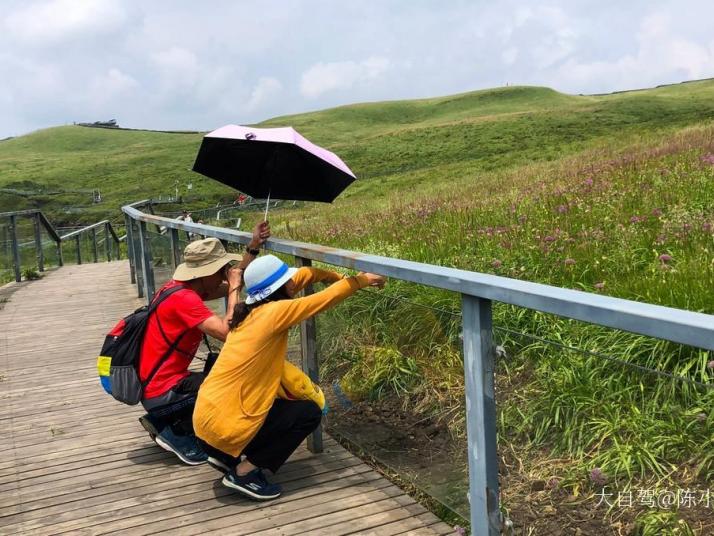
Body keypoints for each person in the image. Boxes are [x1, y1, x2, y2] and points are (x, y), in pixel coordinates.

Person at [193, 255, 386, 500]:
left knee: (278, 406)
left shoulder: (249, 313)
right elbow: (321, 300)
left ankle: (224, 456)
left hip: (204, 423)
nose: (293, 283)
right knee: (308, 412)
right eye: (289, 281)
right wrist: (362, 280)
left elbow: (302, 277)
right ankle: (243, 473)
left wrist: (332, 276)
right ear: (283, 287)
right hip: (224, 428)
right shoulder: (275, 312)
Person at [138, 221, 270, 465]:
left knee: (222, 375)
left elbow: (234, 278)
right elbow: (228, 332)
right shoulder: (185, 300)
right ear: (208, 273)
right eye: (221, 270)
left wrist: (252, 249)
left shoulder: (179, 288)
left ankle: (174, 422)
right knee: (230, 386)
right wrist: (233, 287)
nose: (224, 274)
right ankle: (175, 431)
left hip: (156, 383)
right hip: (163, 391)